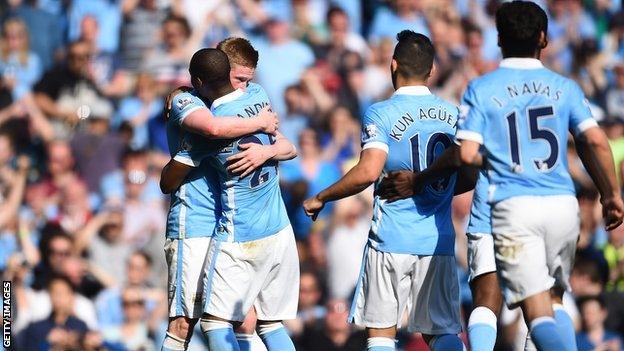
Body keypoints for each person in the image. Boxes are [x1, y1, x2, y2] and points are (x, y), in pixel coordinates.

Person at [456, 1, 623, 350]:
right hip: (559, 205)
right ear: (544, 39)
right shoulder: (565, 88)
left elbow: (468, 154)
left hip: (503, 206)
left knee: (491, 299)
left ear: (499, 39)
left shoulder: (482, 88)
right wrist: (611, 195)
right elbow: (594, 139)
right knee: (554, 301)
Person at [303, 30, 465, 351]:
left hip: (392, 237)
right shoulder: (453, 114)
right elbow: (468, 170)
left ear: (393, 65)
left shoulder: (382, 112)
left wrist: (322, 196)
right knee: (441, 333)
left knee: (381, 334)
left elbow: (368, 172)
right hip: (439, 240)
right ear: (431, 70)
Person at [163, 48, 298, 351]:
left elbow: (289, 147)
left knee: (231, 321)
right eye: (239, 78)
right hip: (200, 224)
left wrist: (266, 150)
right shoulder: (246, 102)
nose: (244, 86)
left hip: (235, 229)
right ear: (225, 71)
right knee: (189, 324)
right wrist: (262, 128)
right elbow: (214, 129)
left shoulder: (235, 108)